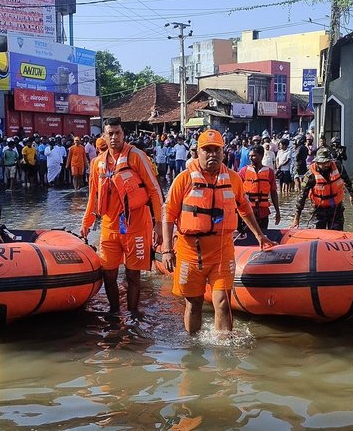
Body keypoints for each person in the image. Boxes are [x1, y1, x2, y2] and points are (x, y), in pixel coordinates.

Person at [162, 129, 275, 334]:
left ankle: (224, 357)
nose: (212, 154)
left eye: (217, 150)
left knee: (222, 302)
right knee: (193, 303)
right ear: (198, 152)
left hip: (222, 249)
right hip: (190, 250)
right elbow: (168, 215)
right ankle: (193, 351)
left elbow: (244, 208)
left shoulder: (232, 178)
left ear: (223, 152)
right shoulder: (184, 179)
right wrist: (167, 249)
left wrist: (259, 235)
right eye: (207, 150)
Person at [81, 117, 164, 313]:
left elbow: (154, 191)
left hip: (136, 224)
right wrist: (86, 224)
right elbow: (93, 196)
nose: (114, 137)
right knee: (108, 273)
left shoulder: (136, 156)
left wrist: (159, 224)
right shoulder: (96, 164)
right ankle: (114, 313)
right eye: (110, 133)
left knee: (133, 275)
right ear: (104, 136)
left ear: (123, 134)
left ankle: (133, 315)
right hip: (110, 227)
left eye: (118, 133)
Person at [292, 146, 353, 231]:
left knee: (337, 233)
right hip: (319, 209)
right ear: (317, 162)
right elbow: (302, 197)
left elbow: (347, 181)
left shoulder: (338, 167)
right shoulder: (310, 176)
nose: (325, 165)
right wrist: (296, 218)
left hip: (336, 209)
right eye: (322, 163)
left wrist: (352, 195)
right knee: (318, 233)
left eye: (327, 162)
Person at [238, 144, 281, 234]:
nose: (251, 158)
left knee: (263, 234)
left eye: (253, 156)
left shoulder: (269, 172)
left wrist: (277, 211)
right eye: (249, 156)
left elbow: (273, 192)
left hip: (263, 212)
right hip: (247, 211)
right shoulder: (243, 171)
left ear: (261, 156)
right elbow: (236, 192)